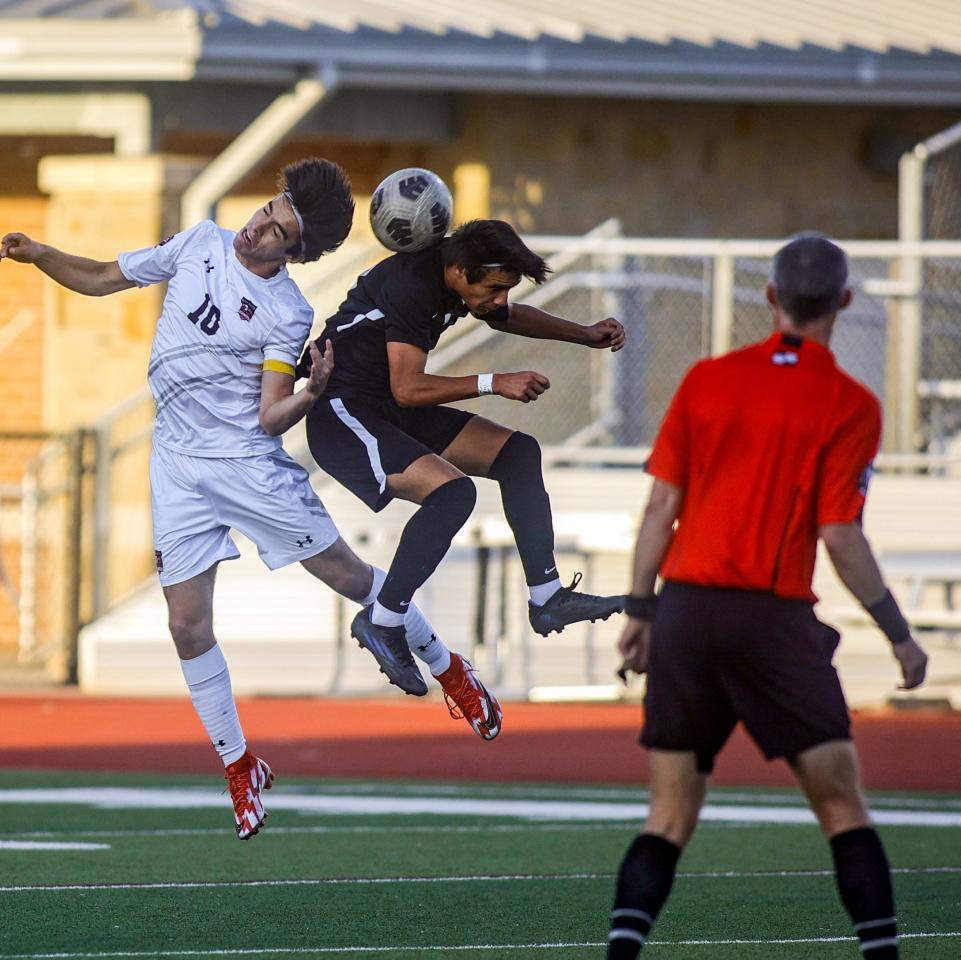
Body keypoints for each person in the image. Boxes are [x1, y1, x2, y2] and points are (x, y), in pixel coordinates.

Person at [0, 158, 501, 842]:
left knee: (351, 579)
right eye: (269, 207)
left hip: (246, 465)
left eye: (276, 228)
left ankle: (449, 668)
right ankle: (240, 765)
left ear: (294, 252)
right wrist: (42, 254)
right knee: (186, 625)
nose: (258, 224)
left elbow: (268, 418)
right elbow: (103, 277)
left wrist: (312, 393)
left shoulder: (287, 313)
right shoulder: (199, 241)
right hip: (176, 463)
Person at [606, 234, 929, 959]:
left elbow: (660, 509)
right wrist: (898, 633)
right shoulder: (851, 403)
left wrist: (641, 610)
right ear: (844, 301)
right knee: (842, 807)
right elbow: (841, 536)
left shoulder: (707, 380)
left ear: (770, 297)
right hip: (772, 617)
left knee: (667, 815)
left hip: (686, 610)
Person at [300, 218, 628, 695]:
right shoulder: (413, 283)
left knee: (518, 454)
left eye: (506, 289)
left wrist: (584, 334)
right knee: (454, 494)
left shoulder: (462, 279)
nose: (499, 299)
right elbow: (409, 388)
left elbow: (507, 316)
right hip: (343, 413)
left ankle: (547, 597)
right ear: (457, 271)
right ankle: (384, 620)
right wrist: (495, 381)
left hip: (386, 407)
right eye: (494, 289)